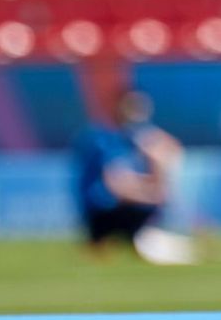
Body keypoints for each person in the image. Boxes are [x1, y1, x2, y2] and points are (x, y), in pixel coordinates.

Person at [71, 88, 194, 263]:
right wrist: (153, 196)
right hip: (105, 211)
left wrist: (157, 162)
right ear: (119, 107)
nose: (138, 113)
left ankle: (140, 240)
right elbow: (116, 184)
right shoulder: (103, 139)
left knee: (154, 203)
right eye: (133, 107)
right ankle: (116, 241)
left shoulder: (138, 139)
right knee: (150, 206)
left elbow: (171, 151)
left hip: (127, 207)